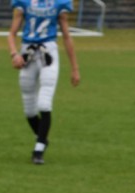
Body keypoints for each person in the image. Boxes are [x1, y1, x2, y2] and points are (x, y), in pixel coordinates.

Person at [6, 0, 80, 165]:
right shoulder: (23, 2)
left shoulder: (60, 2)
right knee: (29, 109)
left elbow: (67, 37)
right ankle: (42, 138)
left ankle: (38, 150)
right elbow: (11, 33)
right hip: (27, 53)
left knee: (44, 104)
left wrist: (75, 68)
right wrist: (14, 54)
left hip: (48, 54)